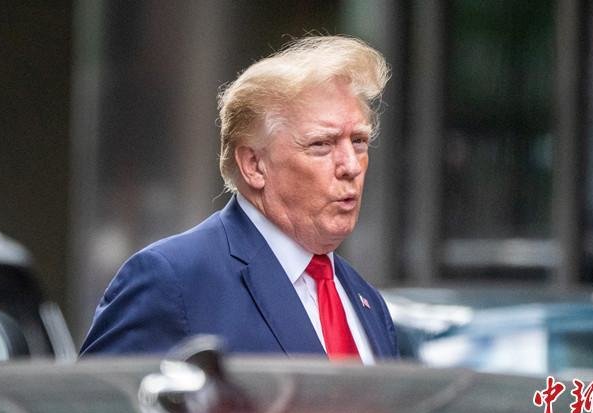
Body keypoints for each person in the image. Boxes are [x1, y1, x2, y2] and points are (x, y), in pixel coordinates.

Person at [80, 36, 398, 363]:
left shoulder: (367, 301)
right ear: (254, 165)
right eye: (321, 145)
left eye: (359, 141)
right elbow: (97, 396)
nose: (351, 166)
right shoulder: (173, 280)